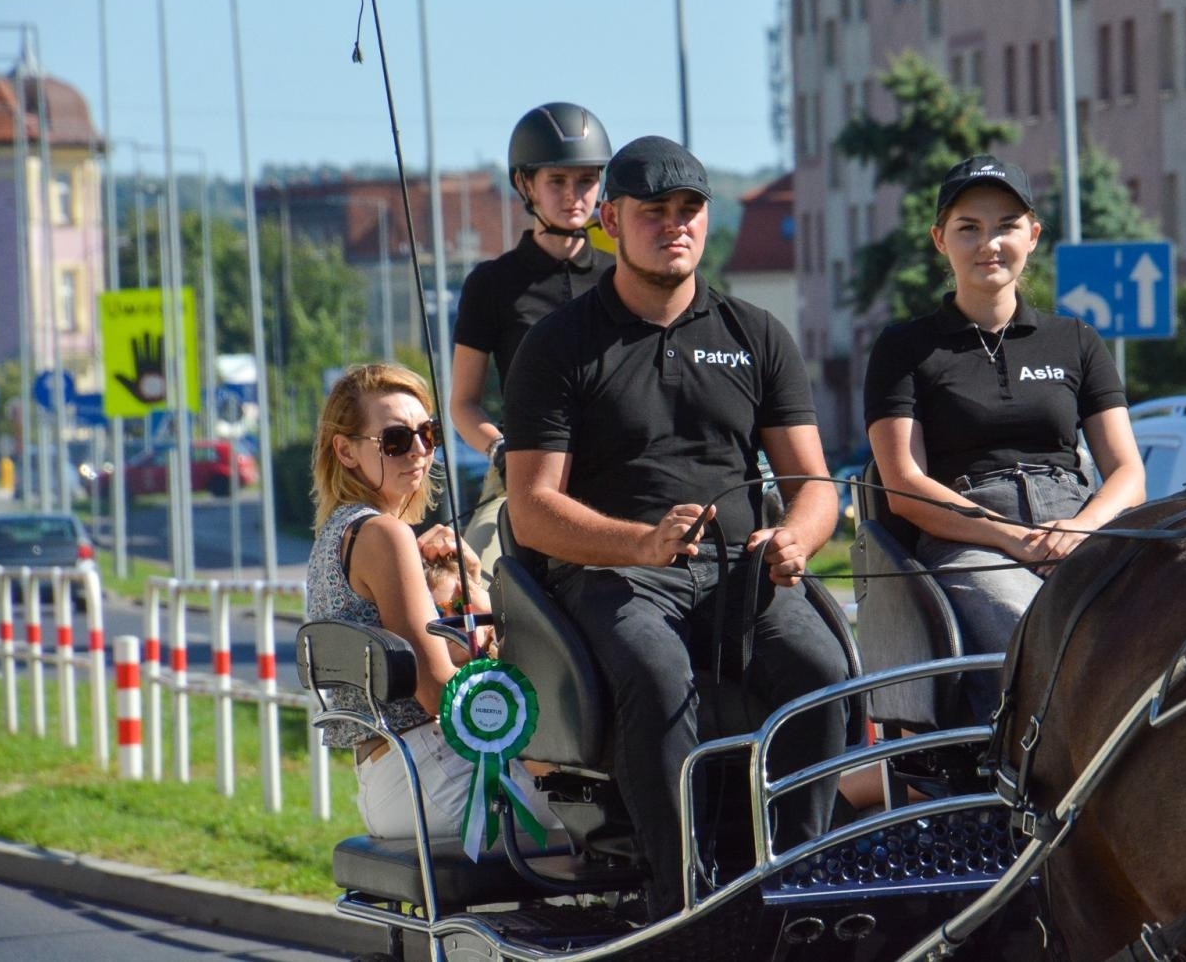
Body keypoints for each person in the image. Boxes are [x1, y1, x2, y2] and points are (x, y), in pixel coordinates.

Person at [502, 135, 850, 920]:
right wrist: (641, 543)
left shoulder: (756, 334)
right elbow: (532, 509)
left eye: (688, 208)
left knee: (824, 669)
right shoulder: (556, 346)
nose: (674, 225)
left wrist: (795, 536)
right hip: (612, 579)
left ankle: (798, 886)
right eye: (652, 212)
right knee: (659, 675)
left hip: (742, 577)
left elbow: (813, 486)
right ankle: (685, 903)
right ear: (611, 222)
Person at [863, 154, 1146, 720]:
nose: (988, 242)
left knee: (1152, 634)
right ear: (940, 239)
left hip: (1075, 524)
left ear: (1033, 236)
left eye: (1006, 226)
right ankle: (1010, 797)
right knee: (1035, 634)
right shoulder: (904, 348)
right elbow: (903, 483)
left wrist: (1079, 528)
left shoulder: (1077, 340)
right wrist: (1012, 538)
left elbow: (1128, 474)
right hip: (969, 536)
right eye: (969, 228)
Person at [306, 363, 498, 838]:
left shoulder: (337, 535)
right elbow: (438, 693)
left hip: (389, 777)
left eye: (427, 434)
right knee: (594, 811)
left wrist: (469, 575)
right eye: (394, 440)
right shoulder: (384, 535)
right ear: (345, 451)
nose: (417, 450)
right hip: (428, 771)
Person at [450, 102, 614, 572]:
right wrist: (500, 449)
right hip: (522, 472)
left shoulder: (621, 278)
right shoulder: (491, 284)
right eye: (557, 182)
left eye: (586, 180)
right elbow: (464, 402)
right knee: (475, 572)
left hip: (612, 468)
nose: (574, 195)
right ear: (526, 185)